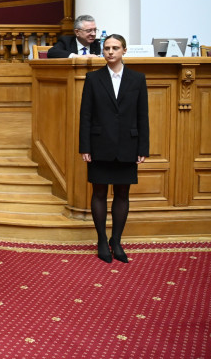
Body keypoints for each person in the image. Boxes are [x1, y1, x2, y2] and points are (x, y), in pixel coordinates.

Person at [79, 34, 149, 264]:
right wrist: (85, 147)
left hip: (128, 145)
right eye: (107, 48)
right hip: (100, 145)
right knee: (99, 193)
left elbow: (142, 116)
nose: (110, 52)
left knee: (122, 194)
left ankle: (116, 241)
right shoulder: (93, 78)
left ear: (124, 51)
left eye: (115, 48)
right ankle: (101, 240)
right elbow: (86, 116)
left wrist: (143, 147)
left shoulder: (137, 79)